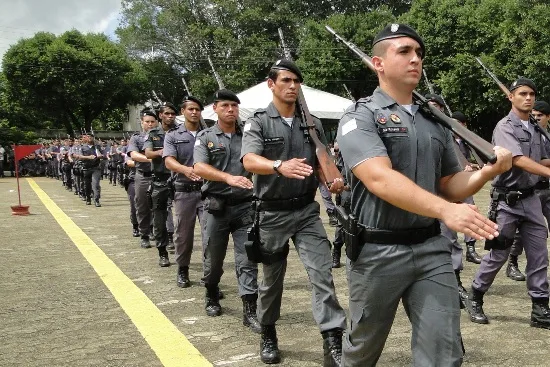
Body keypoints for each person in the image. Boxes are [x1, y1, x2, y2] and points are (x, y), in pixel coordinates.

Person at [336, 24, 512, 366]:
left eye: (419, 53)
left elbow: (450, 183)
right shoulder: (360, 116)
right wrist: (446, 211)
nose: (415, 59)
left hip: (431, 250)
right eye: (404, 52)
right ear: (378, 63)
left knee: (443, 351)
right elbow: (379, 178)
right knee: (362, 349)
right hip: (377, 252)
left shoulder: (434, 121)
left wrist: (488, 171)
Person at [241, 59, 347, 365]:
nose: (291, 86)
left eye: (295, 81)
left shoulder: (311, 123)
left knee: (322, 275)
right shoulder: (258, 121)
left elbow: (322, 161)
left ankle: (332, 342)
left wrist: (334, 180)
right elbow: (248, 160)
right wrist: (278, 165)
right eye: (285, 80)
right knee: (272, 280)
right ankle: (268, 333)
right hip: (272, 215)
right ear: (271, 84)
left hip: (306, 213)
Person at [468, 82, 550, 330]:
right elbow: (518, 160)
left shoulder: (535, 127)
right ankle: (476, 295)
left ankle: (540, 307)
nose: (528, 98)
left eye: (532, 94)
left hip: (531, 199)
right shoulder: (505, 127)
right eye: (523, 94)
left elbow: (541, 158)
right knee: (499, 254)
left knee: (539, 254)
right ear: (511, 97)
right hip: (507, 202)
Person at [193, 89, 260, 331]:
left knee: (247, 260)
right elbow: (199, 166)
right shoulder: (206, 136)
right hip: (216, 208)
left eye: (234, 105)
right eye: (225, 106)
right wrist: (228, 178)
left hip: (245, 207)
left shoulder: (249, 135)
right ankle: (211, 293)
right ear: (216, 108)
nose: (231, 110)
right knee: (213, 260)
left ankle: (250, 310)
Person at [164, 96, 207, 288]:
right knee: (183, 234)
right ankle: (183, 268)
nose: (194, 112)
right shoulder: (173, 135)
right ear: (183, 111)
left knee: (211, 235)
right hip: (184, 192)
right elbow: (168, 160)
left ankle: (210, 275)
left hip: (207, 192)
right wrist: (185, 170)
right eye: (190, 109)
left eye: (197, 109)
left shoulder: (208, 133)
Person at [505, 100, 550, 281]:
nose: (536, 117)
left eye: (540, 115)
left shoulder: (545, 135)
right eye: (535, 114)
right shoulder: (527, 134)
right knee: (521, 233)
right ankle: (512, 263)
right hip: (530, 190)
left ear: (548, 117)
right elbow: (528, 161)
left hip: (547, 189)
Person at [145, 102, 178, 267]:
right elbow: (148, 153)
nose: (170, 116)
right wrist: (163, 152)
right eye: (167, 113)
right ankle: (162, 252)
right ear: (160, 115)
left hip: (178, 179)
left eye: (172, 114)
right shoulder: (153, 133)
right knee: (159, 217)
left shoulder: (181, 131)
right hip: (160, 180)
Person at [128, 110, 157, 249]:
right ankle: (144, 234)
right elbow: (133, 154)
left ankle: (159, 233)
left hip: (158, 175)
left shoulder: (162, 136)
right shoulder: (136, 138)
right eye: (147, 122)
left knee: (161, 207)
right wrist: (152, 158)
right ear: (142, 122)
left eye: (152, 122)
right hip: (143, 175)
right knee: (142, 206)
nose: (150, 124)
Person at [77, 132, 104, 207]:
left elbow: (103, 155)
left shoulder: (97, 147)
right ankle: (88, 198)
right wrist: (88, 157)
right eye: (88, 137)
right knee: (87, 185)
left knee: (96, 184)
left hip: (96, 168)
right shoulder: (83, 147)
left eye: (91, 137)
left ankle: (96, 199)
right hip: (86, 168)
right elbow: (80, 157)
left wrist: (100, 156)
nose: (89, 138)